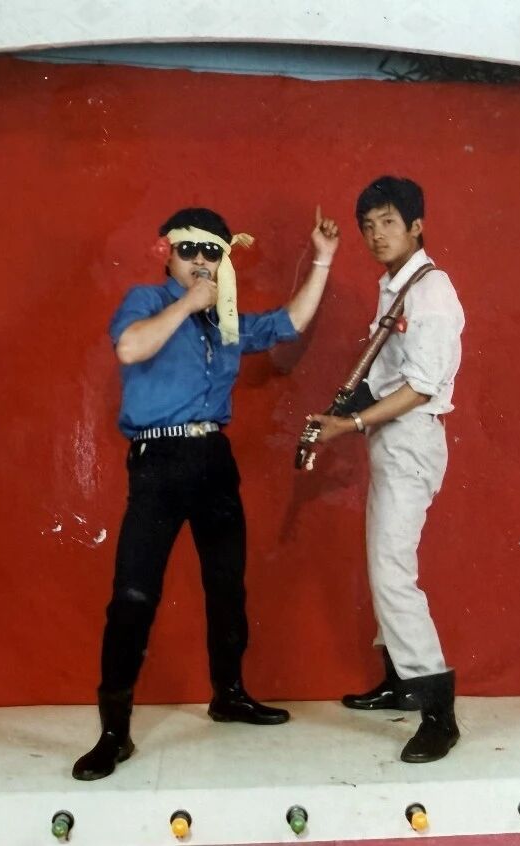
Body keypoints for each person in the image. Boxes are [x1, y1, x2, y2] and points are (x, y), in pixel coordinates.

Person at [73, 205, 340, 781]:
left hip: (212, 458)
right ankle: (114, 733)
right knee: (133, 595)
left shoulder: (228, 319)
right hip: (157, 460)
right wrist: (188, 304)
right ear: (167, 252)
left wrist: (322, 259)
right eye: (189, 249)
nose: (200, 260)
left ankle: (229, 695)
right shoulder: (147, 300)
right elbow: (130, 348)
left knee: (226, 586)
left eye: (212, 252)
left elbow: (289, 323)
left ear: (224, 259)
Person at [305, 176, 464, 763]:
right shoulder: (395, 285)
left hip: (411, 437)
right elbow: (385, 371)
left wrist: (349, 424)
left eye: (388, 222)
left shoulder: (431, 292)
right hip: (391, 439)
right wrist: (338, 413)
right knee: (383, 564)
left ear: (417, 226)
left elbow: (420, 387)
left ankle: (439, 714)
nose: (376, 235)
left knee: (393, 571)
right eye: (367, 226)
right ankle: (400, 680)